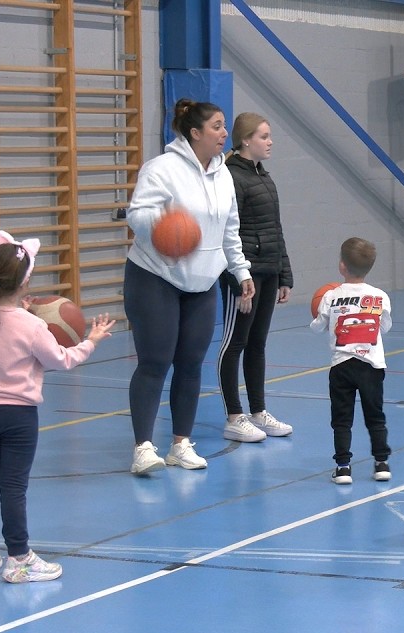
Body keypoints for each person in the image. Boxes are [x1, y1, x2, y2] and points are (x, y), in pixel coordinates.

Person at [0, 231, 115, 582]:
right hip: (17, 417)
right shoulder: (32, 325)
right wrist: (91, 341)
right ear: (25, 282)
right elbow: (62, 359)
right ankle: (19, 559)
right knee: (13, 487)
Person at [125, 98, 254, 476]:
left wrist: (241, 271)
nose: (225, 133)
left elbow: (230, 229)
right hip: (155, 277)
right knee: (154, 362)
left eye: (224, 126)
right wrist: (167, 225)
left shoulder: (224, 175)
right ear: (195, 133)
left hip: (202, 282)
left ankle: (180, 444)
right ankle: (143, 448)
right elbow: (137, 215)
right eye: (217, 126)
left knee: (191, 364)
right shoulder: (161, 169)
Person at [217, 112, 295, 443]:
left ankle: (258, 411)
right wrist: (238, 279)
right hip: (244, 275)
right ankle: (234, 416)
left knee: (257, 343)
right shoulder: (231, 177)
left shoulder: (264, 177)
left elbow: (275, 228)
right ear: (246, 140)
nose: (270, 141)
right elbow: (228, 232)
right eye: (264, 136)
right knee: (234, 343)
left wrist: (284, 273)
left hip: (268, 271)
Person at [310, 237, 392, 485]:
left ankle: (343, 467)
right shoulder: (380, 296)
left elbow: (318, 327)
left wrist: (318, 318)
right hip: (372, 366)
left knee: (342, 418)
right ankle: (381, 463)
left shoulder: (330, 296)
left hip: (342, 366)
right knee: (375, 415)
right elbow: (384, 327)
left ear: (342, 266)